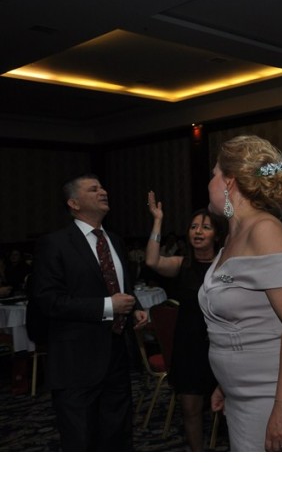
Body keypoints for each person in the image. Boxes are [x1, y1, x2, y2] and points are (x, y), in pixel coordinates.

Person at [199, 135, 282, 452]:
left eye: (214, 174)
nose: (209, 183)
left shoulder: (265, 230)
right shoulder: (232, 238)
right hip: (242, 392)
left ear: (229, 182)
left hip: (277, 393)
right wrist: (226, 383)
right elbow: (244, 319)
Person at [29, 174, 148, 450]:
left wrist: (135, 308)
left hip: (117, 354)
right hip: (75, 362)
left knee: (118, 436)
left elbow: (119, 285)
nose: (103, 192)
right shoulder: (55, 243)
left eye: (102, 187)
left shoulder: (114, 240)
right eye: (93, 189)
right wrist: (108, 306)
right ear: (74, 203)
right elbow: (48, 301)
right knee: (81, 440)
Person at [145, 193, 226, 451]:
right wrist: (158, 220)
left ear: (217, 235)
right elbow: (152, 260)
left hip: (222, 345)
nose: (198, 232)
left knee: (231, 408)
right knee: (191, 409)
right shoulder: (182, 265)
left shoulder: (226, 267)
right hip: (189, 347)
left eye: (206, 227)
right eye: (193, 227)